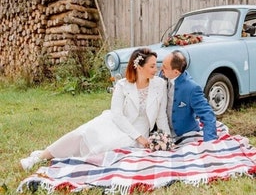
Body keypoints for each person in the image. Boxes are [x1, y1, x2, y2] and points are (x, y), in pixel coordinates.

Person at [20, 48, 171, 170]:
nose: (156, 69)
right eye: (152, 66)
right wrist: (139, 137)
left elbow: (161, 116)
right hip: (117, 122)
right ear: (139, 67)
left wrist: (167, 139)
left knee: (108, 146)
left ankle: (63, 157)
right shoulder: (122, 85)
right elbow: (117, 115)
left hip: (139, 128)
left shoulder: (159, 85)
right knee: (83, 133)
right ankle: (38, 158)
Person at [161, 50, 217, 142]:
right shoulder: (162, 77)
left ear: (176, 72)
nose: (161, 69)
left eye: (165, 67)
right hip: (164, 133)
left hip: (185, 135)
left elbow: (207, 115)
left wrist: (210, 142)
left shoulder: (192, 88)